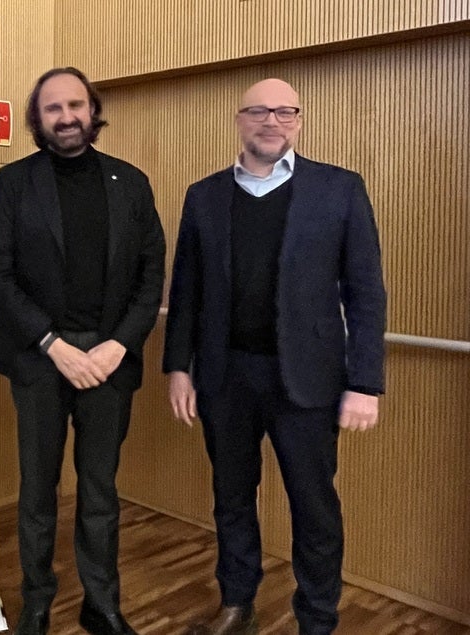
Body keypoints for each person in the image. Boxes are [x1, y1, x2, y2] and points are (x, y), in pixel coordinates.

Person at [163, 78, 386, 635]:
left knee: (314, 507)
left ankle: (317, 619)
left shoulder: (339, 189)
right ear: (240, 120)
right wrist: (178, 367)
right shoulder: (204, 195)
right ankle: (237, 605)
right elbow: (186, 290)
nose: (273, 121)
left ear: (299, 121)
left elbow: (366, 293)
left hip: (308, 382)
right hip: (225, 376)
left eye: (286, 112)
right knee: (231, 498)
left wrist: (365, 382)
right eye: (260, 111)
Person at [0, 66, 165, 635]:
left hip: (109, 360)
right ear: (38, 119)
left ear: (93, 111)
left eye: (76, 105)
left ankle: (101, 603)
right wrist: (52, 343)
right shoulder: (14, 183)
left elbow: (151, 276)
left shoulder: (131, 183)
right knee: (37, 491)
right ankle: (37, 601)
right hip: (40, 358)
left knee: (100, 490)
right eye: (54, 108)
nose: (67, 117)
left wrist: (119, 345)